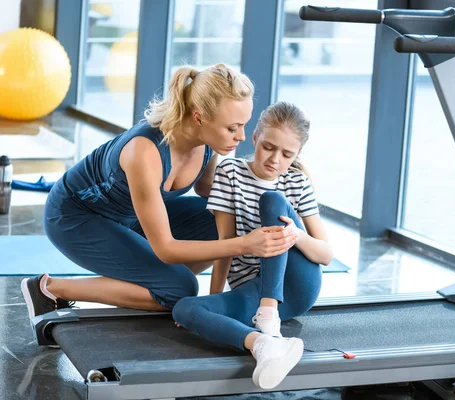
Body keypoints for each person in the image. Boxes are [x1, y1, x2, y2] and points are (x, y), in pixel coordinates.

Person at [20, 64, 297, 321]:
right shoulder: (144, 151)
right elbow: (165, 249)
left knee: (228, 216)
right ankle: (50, 289)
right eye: (232, 128)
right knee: (181, 290)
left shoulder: (209, 141)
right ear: (199, 117)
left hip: (131, 217)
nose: (241, 136)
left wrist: (265, 187)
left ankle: (154, 283)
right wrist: (246, 244)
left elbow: (208, 189)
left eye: (244, 125)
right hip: (76, 218)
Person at [172, 101, 334, 390]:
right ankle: (264, 345)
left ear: (297, 155)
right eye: (269, 147)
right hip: (251, 287)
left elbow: (326, 255)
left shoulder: (296, 182)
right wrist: (213, 301)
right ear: (256, 137)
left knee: (272, 200)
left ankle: (269, 315)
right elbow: (226, 245)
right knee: (184, 309)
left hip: (295, 286)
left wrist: (296, 234)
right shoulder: (230, 173)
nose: (275, 160)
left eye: (287, 154)